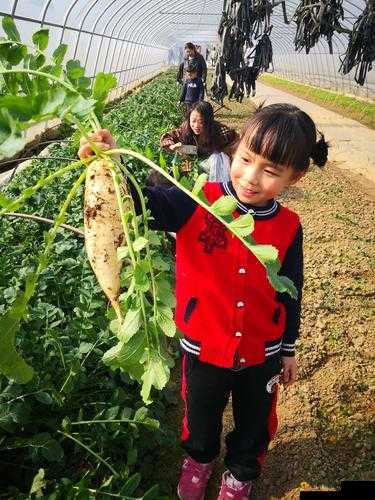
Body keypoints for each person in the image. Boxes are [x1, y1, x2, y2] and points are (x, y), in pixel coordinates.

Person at [78, 103, 329, 500]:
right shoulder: (196, 200)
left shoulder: (289, 225)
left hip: (260, 352)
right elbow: (143, 204)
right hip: (202, 346)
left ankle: (240, 475)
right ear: (234, 149)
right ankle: (199, 461)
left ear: (294, 176)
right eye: (246, 160)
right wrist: (111, 162)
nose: (251, 177)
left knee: (255, 423)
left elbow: (290, 287)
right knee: (199, 416)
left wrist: (288, 348)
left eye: (270, 171)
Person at [160, 101, 238, 158]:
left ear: (208, 121)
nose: (196, 126)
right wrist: (171, 146)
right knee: (182, 149)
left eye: (201, 122)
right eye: (193, 121)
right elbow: (167, 137)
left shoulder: (220, 131)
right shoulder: (185, 129)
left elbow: (237, 141)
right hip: (194, 153)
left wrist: (225, 153)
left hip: (212, 158)